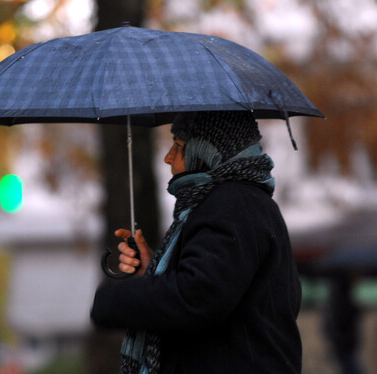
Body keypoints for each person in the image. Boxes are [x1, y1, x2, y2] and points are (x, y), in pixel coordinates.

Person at [91, 111, 302, 373]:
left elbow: (198, 296)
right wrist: (152, 273)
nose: (168, 157)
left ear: (207, 150)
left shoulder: (232, 204)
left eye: (179, 146)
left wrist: (113, 300)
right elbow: (216, 287)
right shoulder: (240, 202)